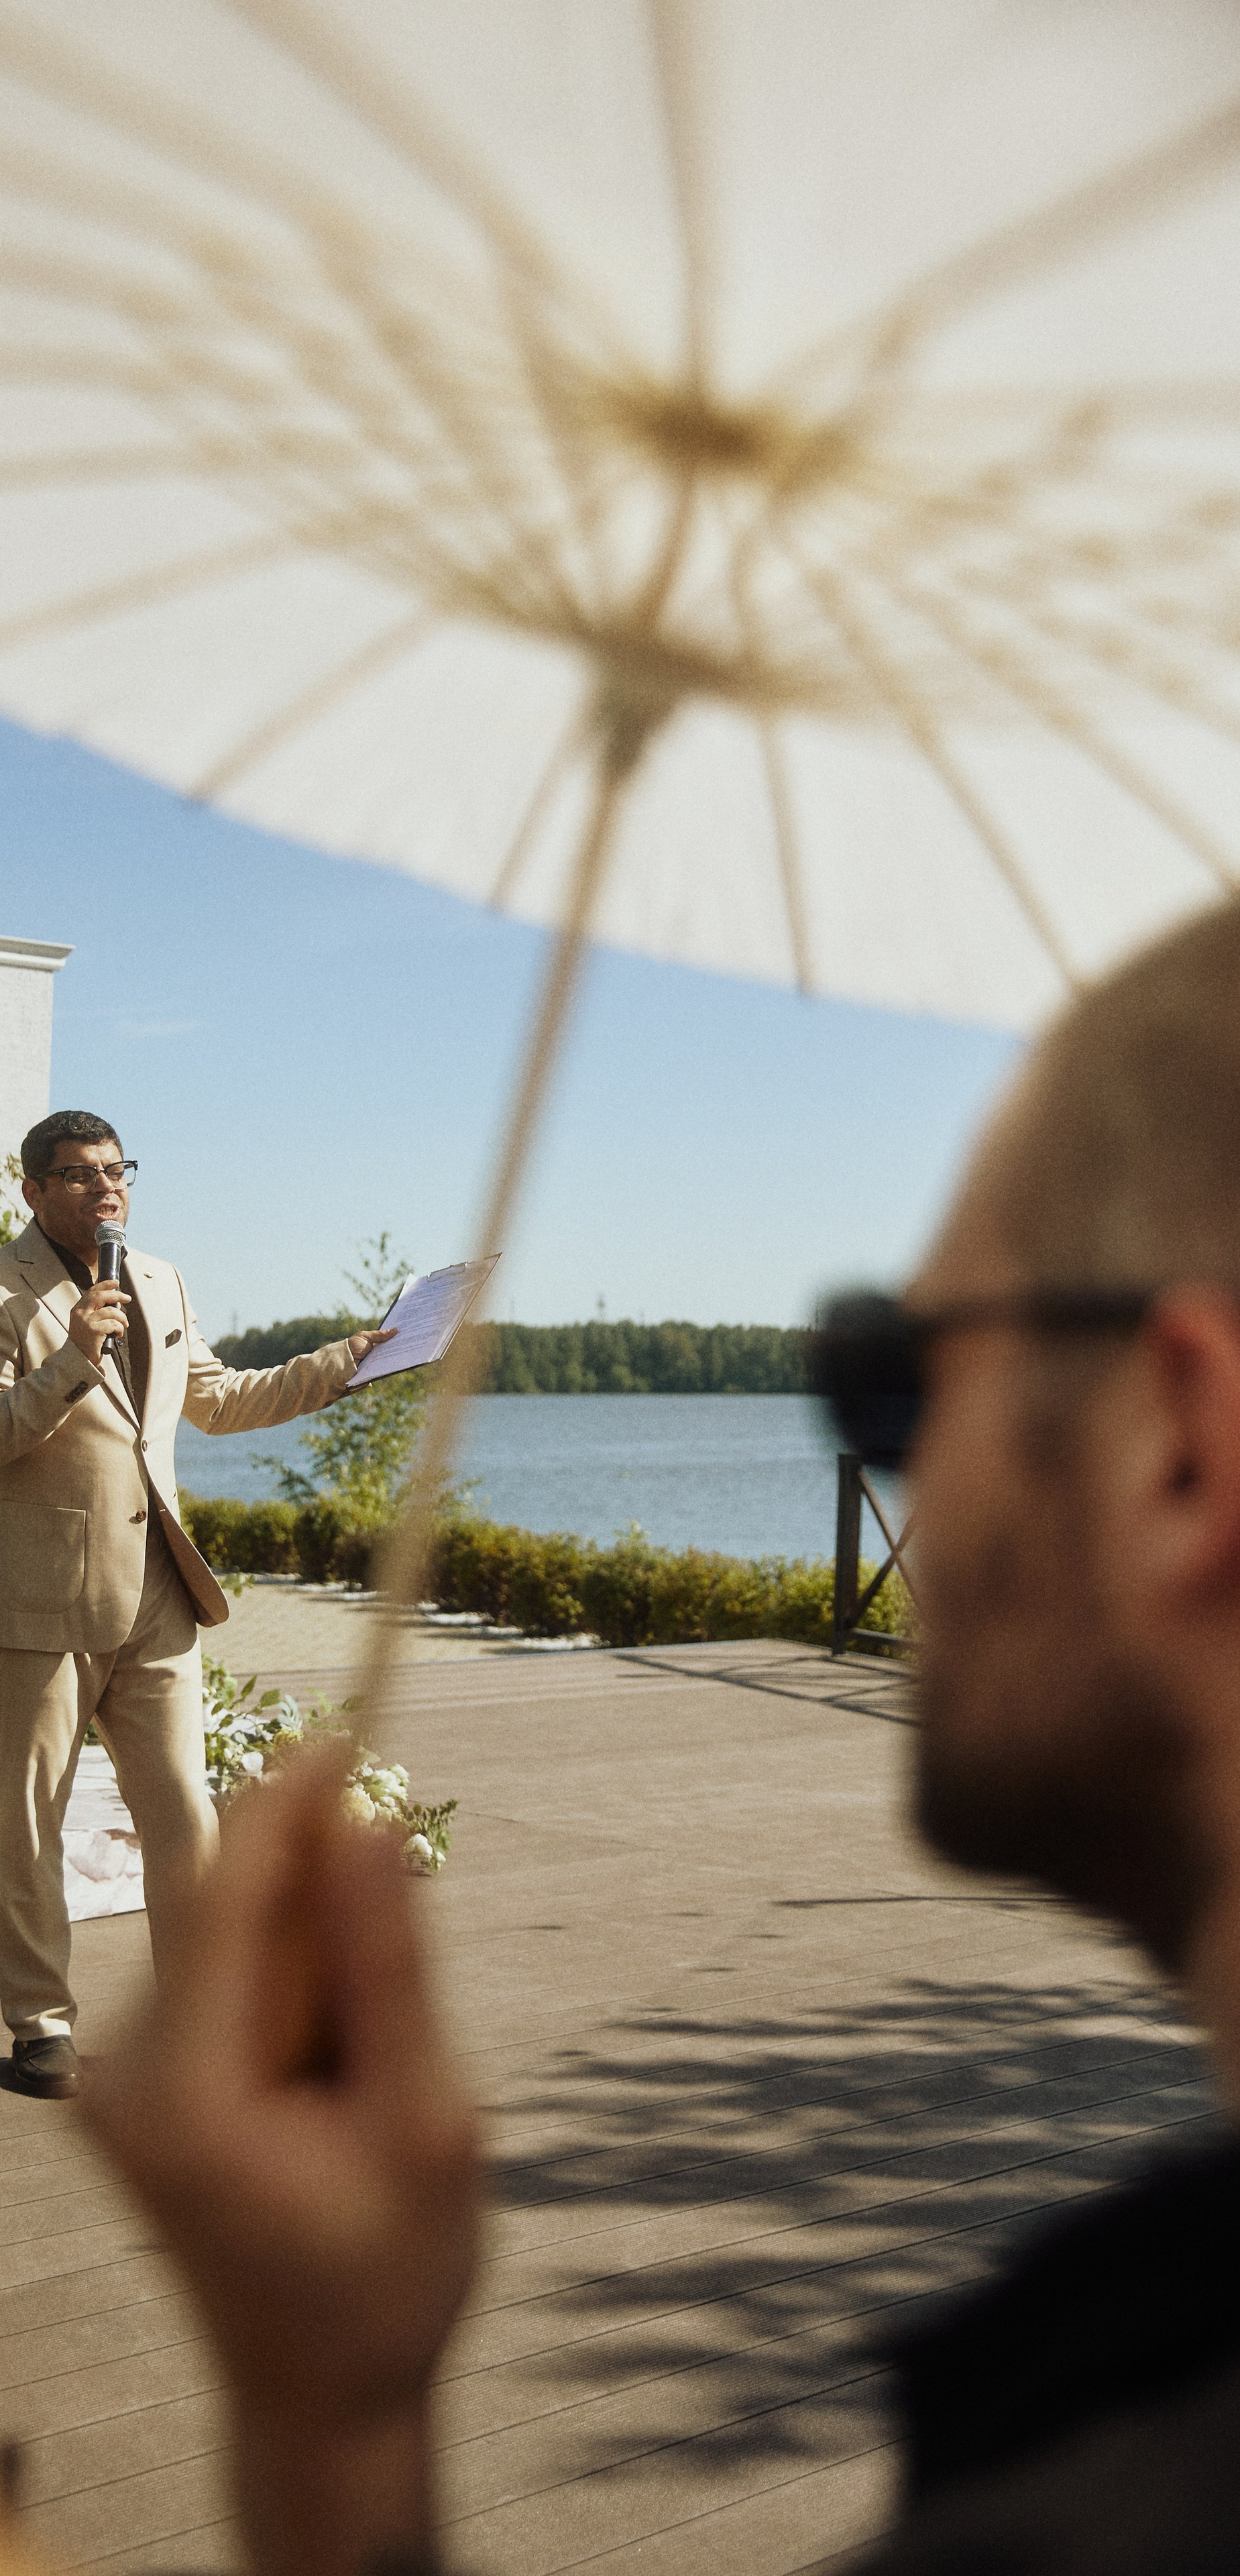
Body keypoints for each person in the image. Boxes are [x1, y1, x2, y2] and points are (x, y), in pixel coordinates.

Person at [85, 898, 1240, 2573]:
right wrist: (338, 2414)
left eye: (889, 1374)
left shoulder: (1109, 2494)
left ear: (1182, 1450)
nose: (896, 1454)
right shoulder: (1150, 2331)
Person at [0, 1110, 393, 2098]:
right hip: (37, 1604)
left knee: (186, 1815)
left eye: (117, 1170)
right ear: (33, 1190)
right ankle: (41, 2025)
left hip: (159, 1594)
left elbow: (222, 1399)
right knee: (31, 1817)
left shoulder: (160, 1279)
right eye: (79, 1175)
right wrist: (69, 1365)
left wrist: (351, 1358)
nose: (107, 1189)